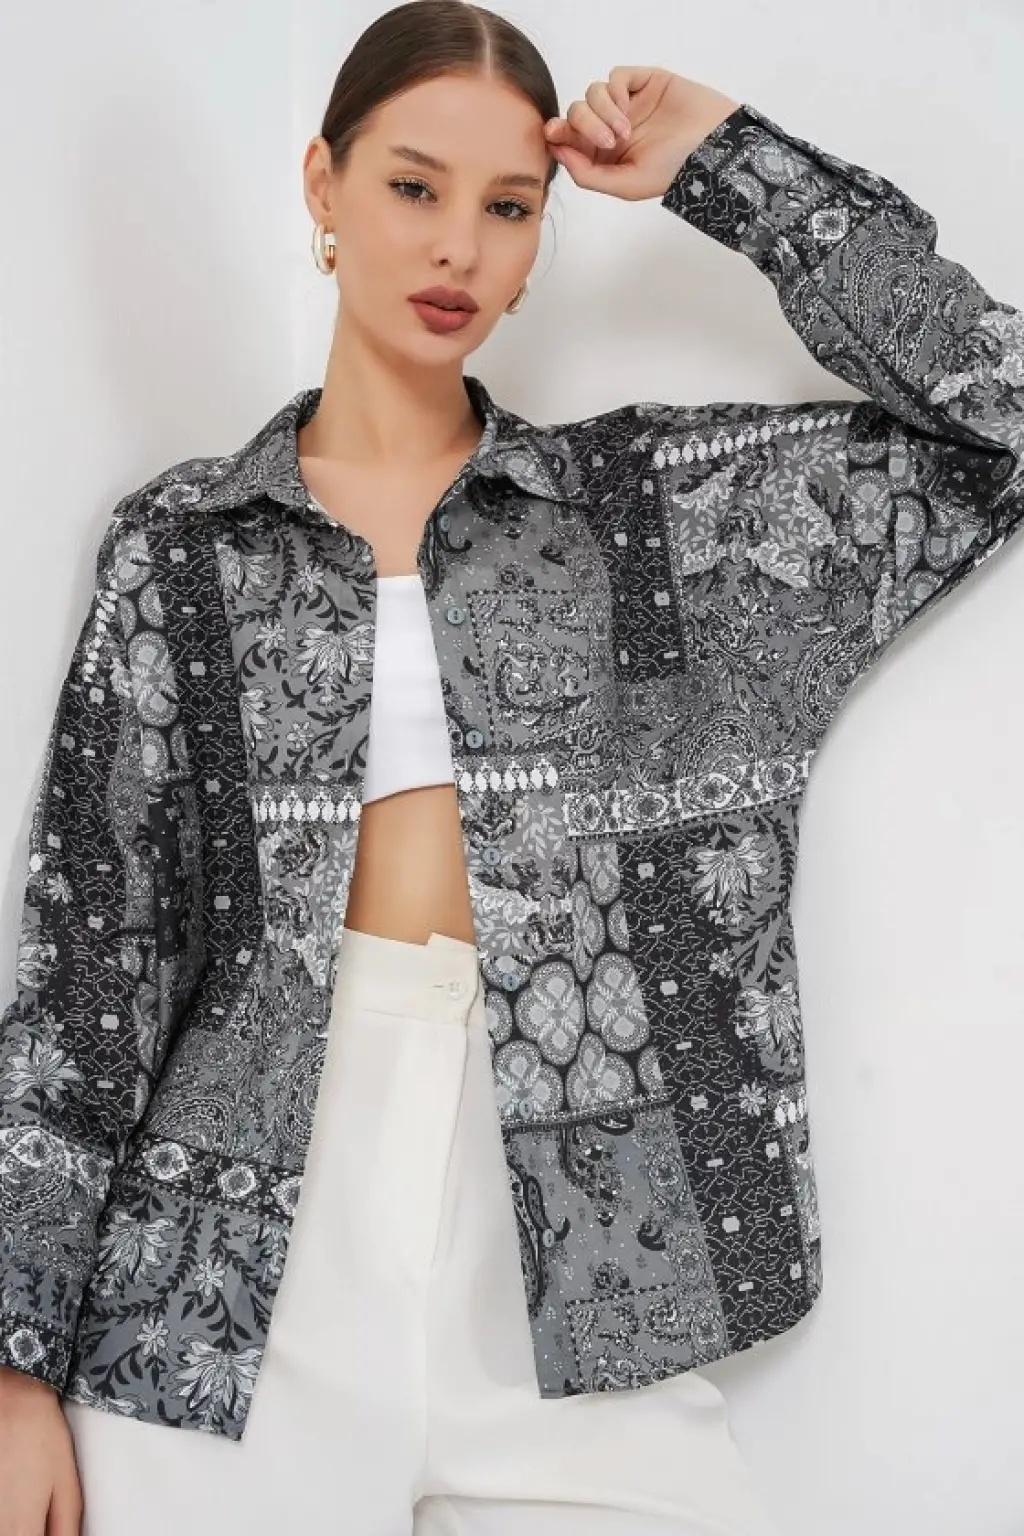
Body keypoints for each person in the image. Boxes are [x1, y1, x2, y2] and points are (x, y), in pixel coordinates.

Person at [1, 3, 1021, 1534]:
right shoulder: (185, 548)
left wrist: (725, 163)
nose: (457, 248)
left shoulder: (656, 519)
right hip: (228, 1277)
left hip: (589, 1265)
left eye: (507, 205)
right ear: (323, 185)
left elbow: (1002, 419)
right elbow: (93, 963)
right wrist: (16, 1367)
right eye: (413, 186)